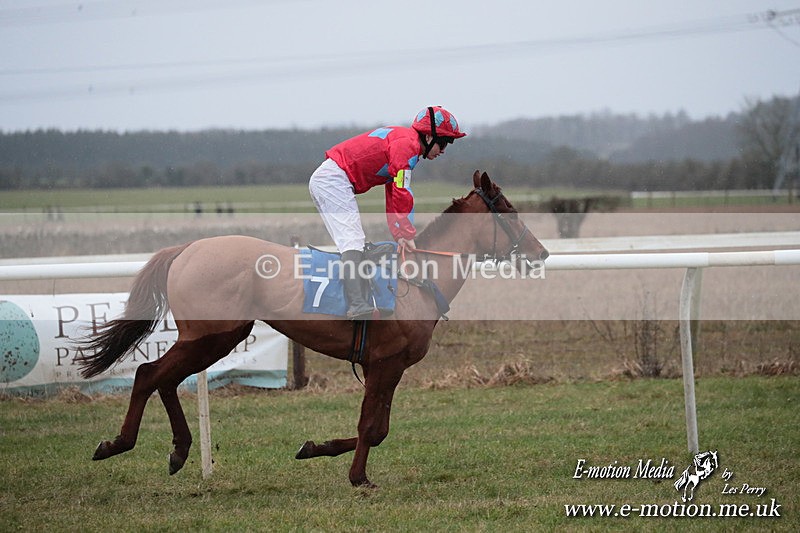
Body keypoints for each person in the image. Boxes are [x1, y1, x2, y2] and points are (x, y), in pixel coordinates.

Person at [309, 106, 467, 319]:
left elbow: (392, 191)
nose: (444, 150)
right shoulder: (407, 146)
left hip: (332, 179)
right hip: (333, 180)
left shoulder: (407, 143)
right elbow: (402, 192)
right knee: (352, 240)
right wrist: (408, 233)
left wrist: (400, 234)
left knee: (353, 241)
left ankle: (358, 298)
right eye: (444, 142)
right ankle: (357, 304)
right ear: (429, 137)